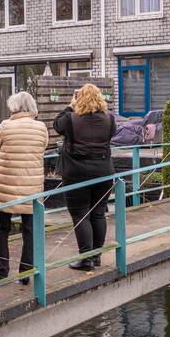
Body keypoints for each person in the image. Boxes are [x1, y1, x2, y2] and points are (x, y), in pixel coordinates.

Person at [0, 91, 48, 285]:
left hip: (6, 185)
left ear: (14, 107)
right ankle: (25, 272)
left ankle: (2, 270)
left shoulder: (6, 125)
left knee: (2, 228)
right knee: (29, 230)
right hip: (31, 185)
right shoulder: (41, 127)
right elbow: (43, 147)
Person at [54, 83, 116, 272]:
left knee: (80, 214)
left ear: (78, 99)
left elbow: (57, 125)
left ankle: (86, 258)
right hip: (103, 172)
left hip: (76, 173)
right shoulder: (109, 118)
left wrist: (70, 106)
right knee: (98, 213)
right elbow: (111, 135)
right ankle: (96, 256)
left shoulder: (71, 118)